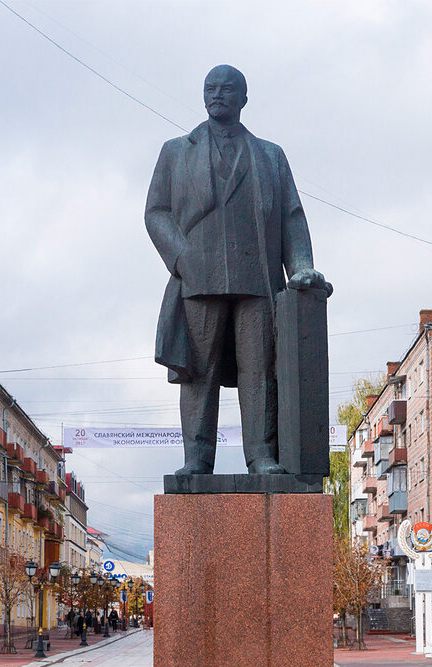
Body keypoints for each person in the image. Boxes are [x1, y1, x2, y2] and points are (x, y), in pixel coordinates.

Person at [145, 64, 328, 475]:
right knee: (197, 372)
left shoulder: (270, 155)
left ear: (243, 98)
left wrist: (302, 268)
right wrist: (183, 258)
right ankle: (197, 459)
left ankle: (260, 456)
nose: (217, 94)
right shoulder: (176, 151)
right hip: (199, 278)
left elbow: (292, 217)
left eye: (227, 89)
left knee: (259, 372)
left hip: (257, 280)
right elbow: (156, 213)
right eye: (210, 88)